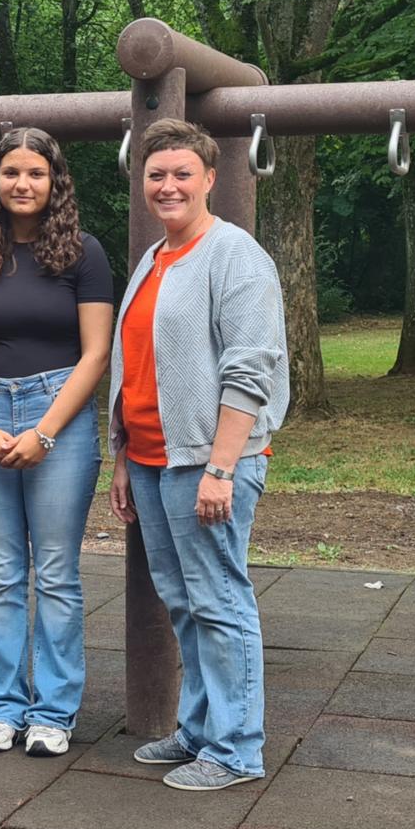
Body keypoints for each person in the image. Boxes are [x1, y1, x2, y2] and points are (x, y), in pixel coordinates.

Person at [107, 118, 288, 790]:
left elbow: (251, 369)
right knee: (183, 601)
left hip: (208, 463)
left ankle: (238, 750)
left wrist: (222, 466)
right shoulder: (155, 259)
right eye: (156, 174)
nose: (168, 185)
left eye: (183, 173)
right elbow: (138, 369)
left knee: (219, 601)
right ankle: (201, 730)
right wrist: (123, 457)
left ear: (210, 179)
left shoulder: (233, 256)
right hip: (154, 461)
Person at [0, 128, 112, 757]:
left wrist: (45, 431)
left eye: (35, 174)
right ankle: (3, 707)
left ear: (54, 181)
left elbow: (96, 353)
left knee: (58, 573)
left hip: (57, 412)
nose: (23, 184)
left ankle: (54, 712)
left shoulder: (82, 254)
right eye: (11, 173)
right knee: (1, 574)